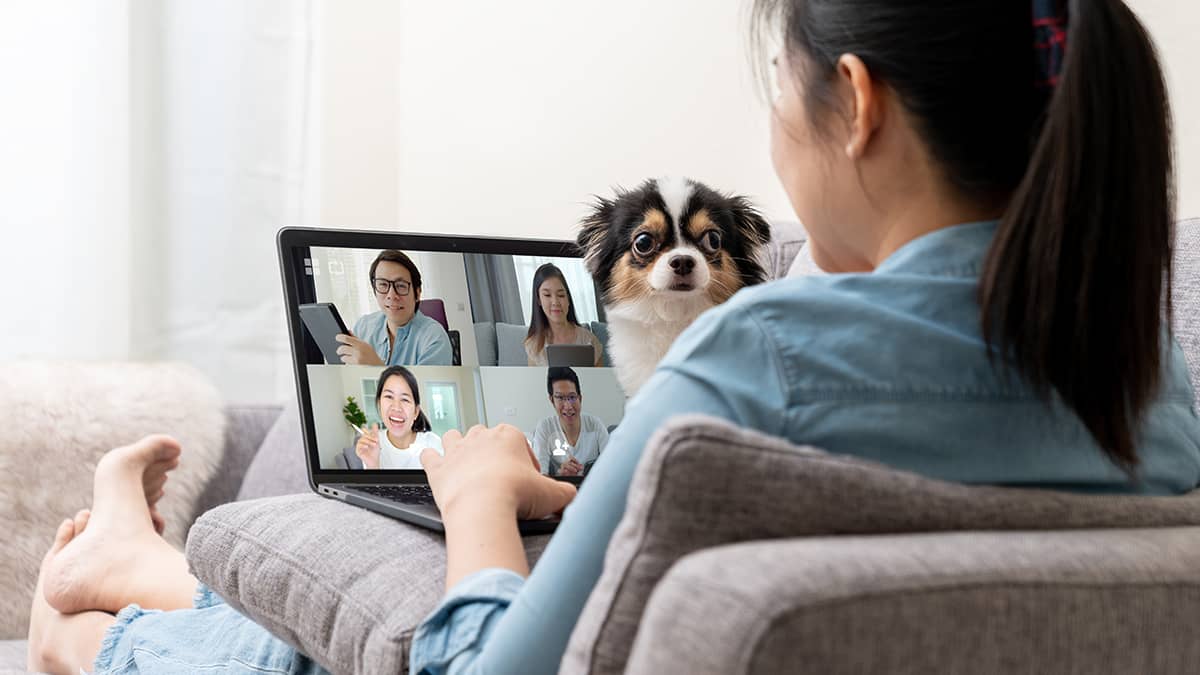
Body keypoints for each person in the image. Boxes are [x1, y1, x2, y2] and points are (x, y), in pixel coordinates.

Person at [25, 2, 1200, 673]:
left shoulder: (763, 356)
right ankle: (131, 572)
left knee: (298, 644)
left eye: (779, 100)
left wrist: (482, 494)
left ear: (858, 104)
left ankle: (84, 620)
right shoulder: (1160, 388)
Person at [335, 249, 453, 367]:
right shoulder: (363, 327)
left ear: (417, 293)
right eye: (383, 284)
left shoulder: (435, 338)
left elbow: (422, 386)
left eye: (400, 286)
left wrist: (376, 368)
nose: (391, 296)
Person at [355, 365, 444, 469]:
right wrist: (372, 465)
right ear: (379, 405)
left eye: (405, 399)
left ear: (416, 412)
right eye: (389, 396)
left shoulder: (432, 443)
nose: (396, 407)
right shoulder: (372, 445)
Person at [531, 367, 610, 476]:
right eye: (560, 398)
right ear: (552, 400)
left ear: (580, 399)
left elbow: (612, 468)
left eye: (572, 397)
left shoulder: (595, 425)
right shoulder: (545, 428)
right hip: (559, 490)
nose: (568, 406)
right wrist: (560, 474)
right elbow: (539, 476)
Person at [523, 263, 603, 367]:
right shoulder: (534, 346)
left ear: (568, 299)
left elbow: (600, 380)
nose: (555, 302)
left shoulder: (589, 340)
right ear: (539, 300)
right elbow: (535, 383)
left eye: (561, 295)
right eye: (547, 295)